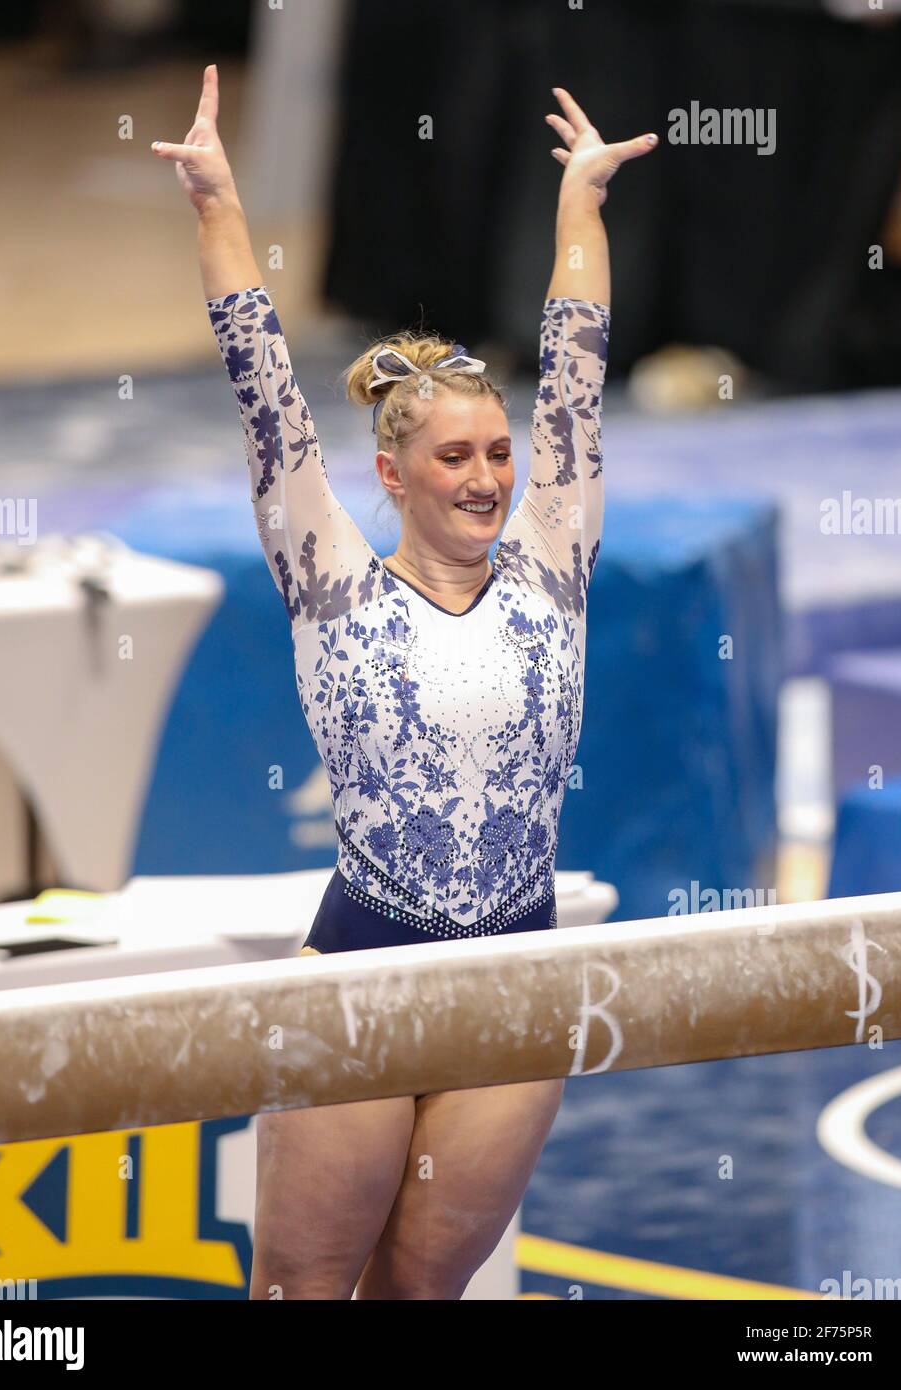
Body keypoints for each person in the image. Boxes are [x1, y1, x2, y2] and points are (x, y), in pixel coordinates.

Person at [153, 65, 655, 1300]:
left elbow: (576, 371)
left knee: (420, 1289)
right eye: (452, 456)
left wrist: (578, 210)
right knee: (302, 1291)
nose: (486, 476)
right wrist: (218, 200)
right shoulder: (329, 578)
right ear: (391, 470)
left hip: (515, 976)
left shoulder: (554, 562)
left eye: (497, 450)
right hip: (364, 972)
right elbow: (263, 389)